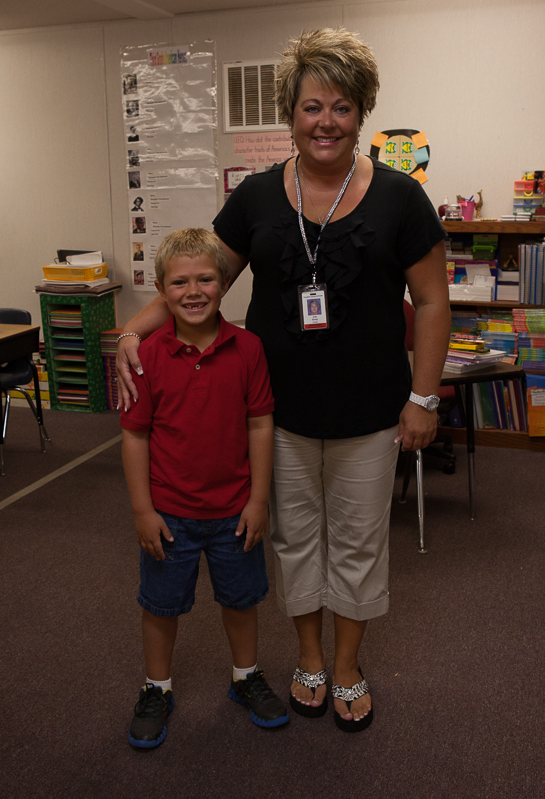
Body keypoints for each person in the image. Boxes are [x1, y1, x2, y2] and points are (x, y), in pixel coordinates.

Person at [116, 28, 451, 733]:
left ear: (360, 113)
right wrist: (130, 332)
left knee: (359, 540)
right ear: (289, 116)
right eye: (310, 107)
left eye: (340, 106)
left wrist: (423, 395)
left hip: (371, 409)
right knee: (294, 538)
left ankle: (349, 664)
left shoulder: (400, 198)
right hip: (276, 414)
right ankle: (307, 656)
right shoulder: (256, 199)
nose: (324, 121)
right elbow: (196, 283)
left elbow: (431, 302)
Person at [121, 228, 288, 748]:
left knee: (241, 600)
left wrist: (259, 500)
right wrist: (142, 511)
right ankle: (157, 687)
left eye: (206, 279)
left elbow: (261, 425)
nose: (194, 292)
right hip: (168, 514)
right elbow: (135, 437)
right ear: (160, 288)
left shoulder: (249, 348)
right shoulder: (145, 355)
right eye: (180, 282)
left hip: (234, 509)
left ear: (225, 282)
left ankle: (246, 677)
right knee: (160, 605)